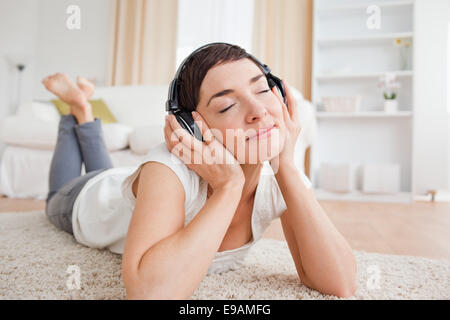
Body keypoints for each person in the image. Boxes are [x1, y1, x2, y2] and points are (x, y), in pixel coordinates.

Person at [43, 43, 357, 300]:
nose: (259, 111)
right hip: (84, 199)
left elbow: (339, 284)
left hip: (119, 188)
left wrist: (287, 165)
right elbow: (150, 294)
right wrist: (229, 187)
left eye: (262, 91)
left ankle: (84, 109)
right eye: (226, 106)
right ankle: (79, 109)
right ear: (192, 128)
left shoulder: (279, 174)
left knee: (106, 170)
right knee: (59, 192)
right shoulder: (166, 168)